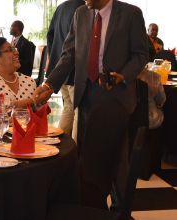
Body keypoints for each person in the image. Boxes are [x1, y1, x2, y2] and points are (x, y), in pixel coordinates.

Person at [34, 0, 148, 210]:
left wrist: (123, 75)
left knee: (110, 158)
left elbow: (141, 54)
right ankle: (101, 208)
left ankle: (112, 208)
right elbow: (69, 54)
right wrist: (50, 84)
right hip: (86, 94)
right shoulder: (80, 14)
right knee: (92, 157)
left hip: (116, 94)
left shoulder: (131, 14)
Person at [46, 0, 84, 140]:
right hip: (75, 68)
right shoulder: (84, 8)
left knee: (69, 106)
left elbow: (50, 35)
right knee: (79, 110)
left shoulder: (61, 7)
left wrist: (55, 57)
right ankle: (74, 150)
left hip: (59, 69)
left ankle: (59, 142)